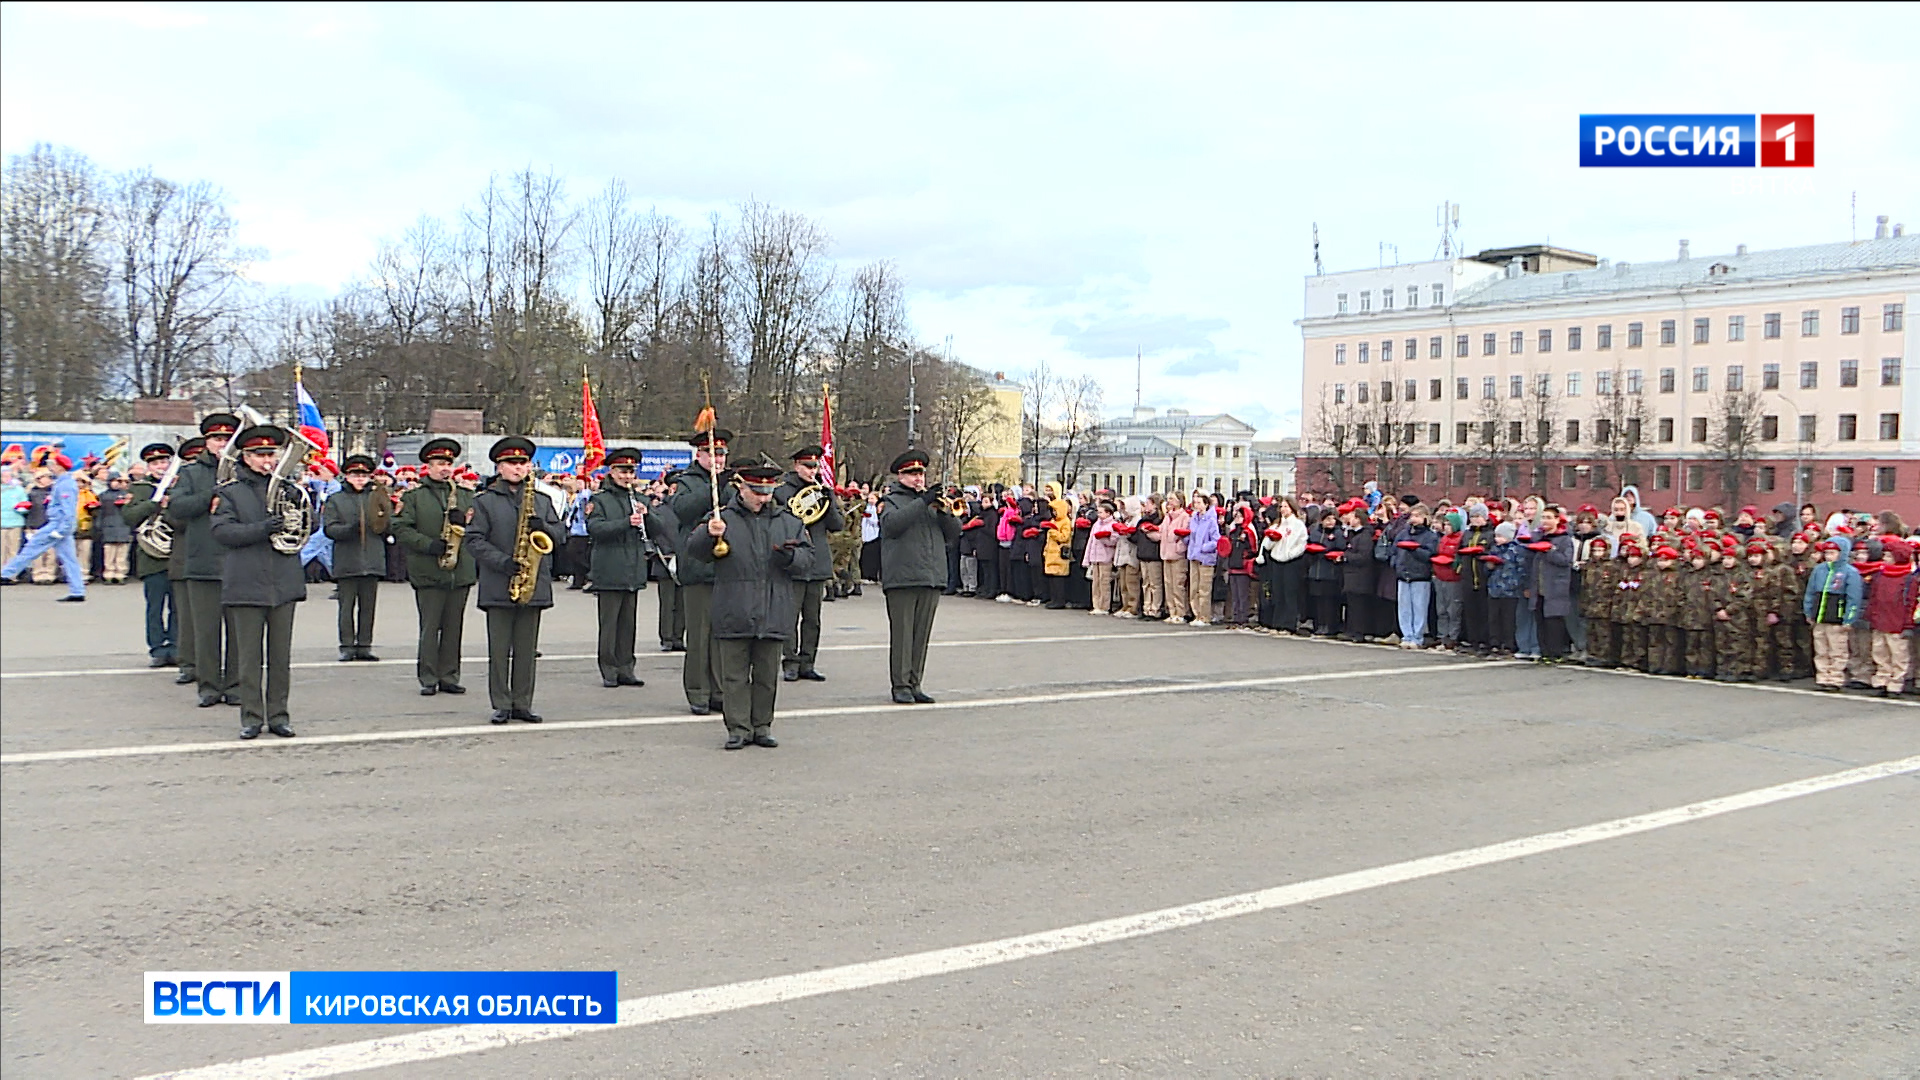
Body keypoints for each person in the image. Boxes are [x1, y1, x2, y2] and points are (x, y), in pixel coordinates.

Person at [686, 462, 815, 748]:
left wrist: (791, 559)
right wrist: (709, 532)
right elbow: (695, 551)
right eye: (757, 490)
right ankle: (738, 727)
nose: (764, 497)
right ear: (741, 487)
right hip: (734, 605)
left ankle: (762, 725)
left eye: (768, 491)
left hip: (774, 607)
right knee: (734, 676)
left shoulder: (788, 520)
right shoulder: (722, 518)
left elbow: (808, 559)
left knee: (767, 676)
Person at [210, 424, 307, 739]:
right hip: (246, 583)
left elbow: (308, 524)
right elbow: (222, 533)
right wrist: (265, 527)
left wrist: (298, 507)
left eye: (271, 454)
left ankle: (279, 715)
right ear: (246, 458)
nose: (267, 460)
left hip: (283, 582)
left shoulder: (288, 489)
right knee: (249, 658)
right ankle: (251, 717)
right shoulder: (230, 492)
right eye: (260, 455)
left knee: (281, 658)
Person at [462, 438, 563, 723]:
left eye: (522, 464)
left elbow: (561, 535)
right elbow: (474, 540)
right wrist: (503, 562)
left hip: (533, 585)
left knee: (526, 649)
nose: (518, 469)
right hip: (498, 582)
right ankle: (502, 703)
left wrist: (546, 529)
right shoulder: (484, 501)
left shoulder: (542, 501)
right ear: (500, 467)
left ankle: (523, 702)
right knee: (499, 649)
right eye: (511, 464)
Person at [390, 439, 477, 696]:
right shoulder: (413, 497)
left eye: (448, 463)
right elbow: (400, 528)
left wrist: (467, 525)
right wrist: (429, 545)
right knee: (430, 628)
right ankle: (428, 677)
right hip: (428, 569)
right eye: (438, 463)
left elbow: (481, 529)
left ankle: (449, 675)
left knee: (453, 627)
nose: (444, 468)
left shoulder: (466, 495)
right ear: (426, 466)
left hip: (459, 571)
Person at [165, 414, 239, 706]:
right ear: (207, 442)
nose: (222, 444)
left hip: (238, 562)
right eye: (216, 439)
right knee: (206, 631)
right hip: (203, 561)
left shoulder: (245, 470)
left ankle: (235, 685)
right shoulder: (192, 472)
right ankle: (208, 686)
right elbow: (178, 507)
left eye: (226, 439)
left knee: (238, 633)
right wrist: (212, 495)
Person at [878, 451, 960, 704]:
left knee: (921, 635)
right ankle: (900, 684)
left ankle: (915, 683)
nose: (918, 478)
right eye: (912, 474)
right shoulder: (892, 500)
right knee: (902, 634)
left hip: (930, 576)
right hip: (902, 577)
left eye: (921, 473)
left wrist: (945, 511)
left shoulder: (932, 504)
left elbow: (954, 533)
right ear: (900, 476)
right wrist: (922, 502)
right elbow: (892, 526)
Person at [666, 428, 733, 715]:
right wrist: (713, 486)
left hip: (725, 567)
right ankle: (697, 691)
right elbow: (682, 510)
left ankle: (719, 690)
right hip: (697, 566)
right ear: (700, 455)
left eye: (722, 454)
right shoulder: (686, 482)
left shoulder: (731, 482)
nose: (718, 459)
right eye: (712, 454)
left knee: (721, 634)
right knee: (699, 634)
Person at [773, 445, 845, 682]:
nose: (812, 471)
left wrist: (829, 498)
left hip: (817, 559)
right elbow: (781, 520)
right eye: (807, 466)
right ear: (796, 466)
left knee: (813, 618)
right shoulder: (783, 491)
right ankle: (790, 661)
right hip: (793, 557)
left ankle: (808, 662)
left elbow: (837, 525)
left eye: (815, 467)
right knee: (790, 616)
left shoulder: (822, 490)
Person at [584, 447, 651, 689]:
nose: (627, 476)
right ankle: (609, 669)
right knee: (610, 624)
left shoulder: (640, 499)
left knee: (628, 625)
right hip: (609, 569)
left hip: (633, 569)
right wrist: (626, 522)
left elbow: (660, 529)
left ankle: (626, 668)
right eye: (622, 471)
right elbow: (596, 529)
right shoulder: (599, 500)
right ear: (611, 471)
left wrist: (648, 517)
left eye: (631, 471)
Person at [320, 454, 389, 662]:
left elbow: (388, 523)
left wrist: (384, 523)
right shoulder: (336, 499)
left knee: (368, 607)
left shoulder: (376, 497)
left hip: (372, 559)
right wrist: (349, 529)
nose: (360, 479)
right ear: (347, 476)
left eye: (364, 475)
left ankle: (365, 645)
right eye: (355, 475)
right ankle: (347, 645)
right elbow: (329, 528)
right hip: (347, 559)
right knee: (346, 606)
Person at [120, 443, 180, 667]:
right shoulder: (141, 489)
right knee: (154, 606)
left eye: (164, 462)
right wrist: (154, 504)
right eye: (155, 463)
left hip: (177, 553)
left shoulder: (180, 485)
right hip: (152, 556)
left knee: (178, 606)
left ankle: (176, 646)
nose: (161, 467)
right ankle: (157, 648)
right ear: (148, 466)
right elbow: (129, 516)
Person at [0, 452, 87, 601]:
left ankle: (6, 574)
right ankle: (77, 591)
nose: (50, 468)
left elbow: (68, 510)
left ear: (59, 466)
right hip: (59, 525)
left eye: (52, 464)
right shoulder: (62, 482)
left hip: (57, 524)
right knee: (69, 558)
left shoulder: (65, 484)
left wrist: (62, 530)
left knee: (32, 547)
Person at [1863, 537, 1916, 696]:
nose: (1884, 559)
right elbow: (1874, 598)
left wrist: (1908, 625)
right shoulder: (1880, 575)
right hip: (1880, 621)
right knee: (1880, 653)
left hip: (1897, 624)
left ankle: (1896, 683)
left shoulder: (1908, 579)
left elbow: (1910, 603)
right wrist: (1871, 616)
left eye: (1888, 556)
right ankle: (1881, 681)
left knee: (1898, 656)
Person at [1391, 503, 1439, 648]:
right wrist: (1396, 563)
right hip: (1403, 574)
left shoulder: (1430, 536)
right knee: (1404, 608)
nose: (1415, 519)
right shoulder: (1403, 533)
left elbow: (1429, 555)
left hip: (1420, 575)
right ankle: (1407, 635)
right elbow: (1394, 550)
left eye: (1418, 516)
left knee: (1419, 607)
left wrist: (1414, 550)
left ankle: (1417, 637)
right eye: (1413, 516)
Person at [1185, 490, 1220, 626]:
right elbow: (1192, 535)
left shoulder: (1211, 520)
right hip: (1193, 555)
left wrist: (1204, 547)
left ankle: (1204, 616)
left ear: (1206, 504)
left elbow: (1216, 540)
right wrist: (1186, 539)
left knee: (1204, 588)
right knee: (1194, 587)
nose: (1196, 505)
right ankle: (1196, 614)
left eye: (1199, 502)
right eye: (1195, 502)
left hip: (1206, 557)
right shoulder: (1194, 518)